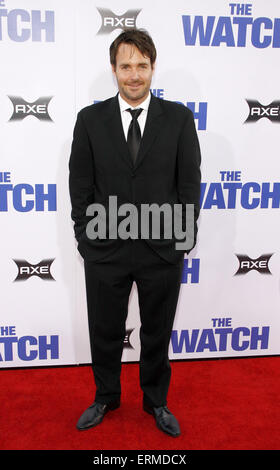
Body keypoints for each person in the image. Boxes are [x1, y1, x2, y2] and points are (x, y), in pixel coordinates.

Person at [68, 28, 201, 437]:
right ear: (114, 70)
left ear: (152, 68)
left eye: (142, 65)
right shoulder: (89, 120)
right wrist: (87, 239)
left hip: (161, 250)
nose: (134, 74)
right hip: (105, 249)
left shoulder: (178, 118)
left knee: (157, 329)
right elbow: (80, 185)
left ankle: (156, 401)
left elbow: (189, 184)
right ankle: (105, 395)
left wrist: (181, 240)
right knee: (104, 327)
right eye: (126, 66)